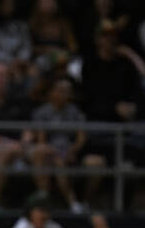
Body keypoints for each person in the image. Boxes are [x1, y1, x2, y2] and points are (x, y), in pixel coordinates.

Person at [0, 62, 52, 208]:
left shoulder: (18, 100)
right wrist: (5, 143)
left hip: (19, 146)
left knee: (41, 151)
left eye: (5, 76)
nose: (2, 79)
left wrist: (25, 141)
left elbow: (28, 128)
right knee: (6, 152)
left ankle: (43, 202)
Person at [32, 77, 107, 212]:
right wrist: (56, 152)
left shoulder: (75, 111)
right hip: (51, 153)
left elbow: (81, 137)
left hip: (72, 151)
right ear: (52, 93)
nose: (64, 95)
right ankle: (71, 202)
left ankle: (85, 201)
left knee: (97, 162)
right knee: (57, 161)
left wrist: (73, 150)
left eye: (67, 91)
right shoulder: (43, 112)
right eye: (61, 91)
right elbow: (41, 140)